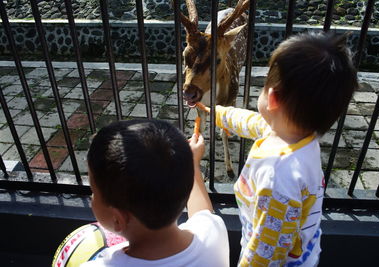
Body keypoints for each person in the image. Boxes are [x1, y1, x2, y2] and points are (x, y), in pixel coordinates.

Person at [213, 31, 358, 266]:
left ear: (273, 98)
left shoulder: (277, 179)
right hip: (304, 247)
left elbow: (265, 254)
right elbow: (252, 123)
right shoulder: (300, 136)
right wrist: (216, 113)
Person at [81, 119, 229, 267]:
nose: (91, 196)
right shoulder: (213, 234)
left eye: (93, 192)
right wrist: (193, 164)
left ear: (118, 219)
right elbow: (203, 213)